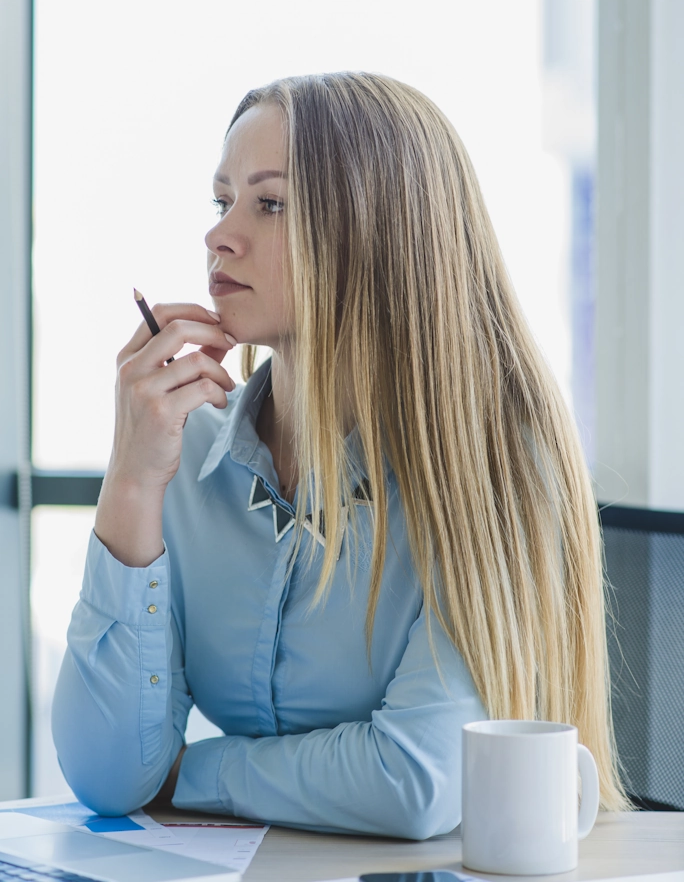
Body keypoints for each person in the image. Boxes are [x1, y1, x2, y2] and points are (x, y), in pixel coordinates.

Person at [52, 72, 628, 839]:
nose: (219, 234)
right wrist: (130, 481)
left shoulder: (492, 462)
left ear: (374, 232)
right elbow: (103, 776)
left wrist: (192, 772)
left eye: (270, 203)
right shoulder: (190, 445)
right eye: (223, 201)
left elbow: (417, 778)